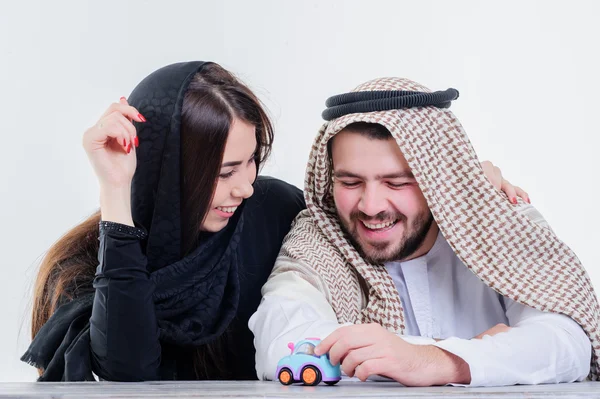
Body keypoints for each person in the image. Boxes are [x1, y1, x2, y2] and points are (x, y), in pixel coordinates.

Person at [23, 63, 523, 382]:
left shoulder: (274, 211)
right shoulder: (88, 263)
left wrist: (454, 185)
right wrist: (117, 192)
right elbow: (127, 371)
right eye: (223, 173)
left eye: (253, 162)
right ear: (165, 173)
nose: (245, 187)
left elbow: (361, 228)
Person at [250, 77, 598, 386]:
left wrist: (436, 362)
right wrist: (472, 352)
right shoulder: (319, 236)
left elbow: (566, 343)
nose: (371, 206)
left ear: (438, 178)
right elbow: (283, 343)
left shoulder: (499, 217)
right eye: (351, 182)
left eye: (397, 182)